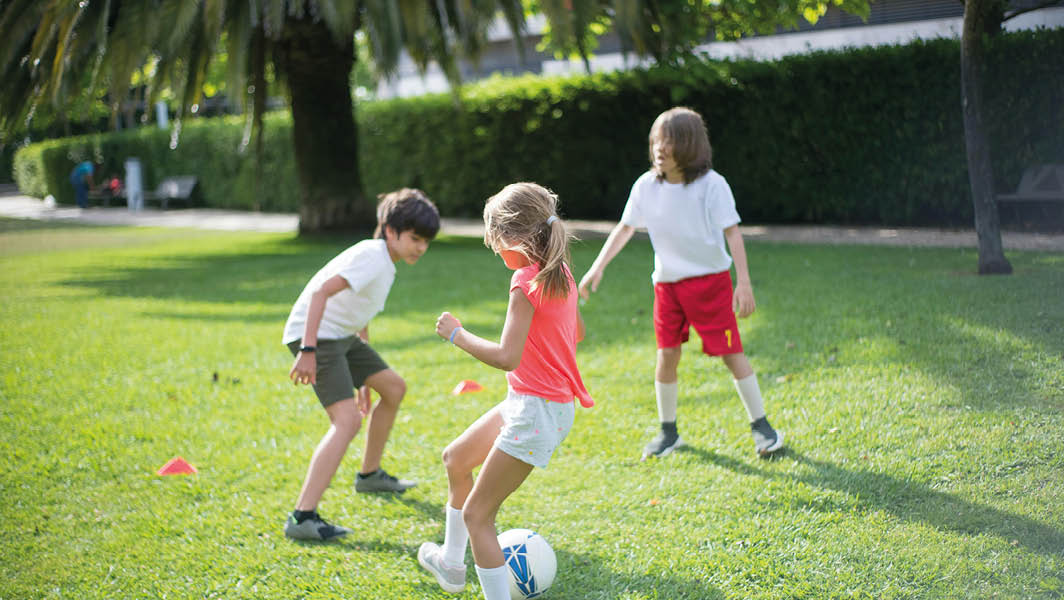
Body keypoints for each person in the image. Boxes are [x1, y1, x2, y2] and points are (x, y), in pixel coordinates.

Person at [417, 182, 593, 598]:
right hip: (531, 402)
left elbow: (505, 357)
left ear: (514, 238)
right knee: (456, 458)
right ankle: (451, 564)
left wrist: (456, 334)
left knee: (479, 515)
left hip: (537, 411)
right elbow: (578, 331)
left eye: (495, 242)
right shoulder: (559, 271)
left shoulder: (526, 281)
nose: (494, 251)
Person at [578, 106, 784, 459]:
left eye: (669, 140)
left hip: (711, 285)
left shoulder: (712, 185)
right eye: (656, 139)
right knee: (667, 354)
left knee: (731, 354)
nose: (660, 147)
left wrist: (743, 282)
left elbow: (733, 233)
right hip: (668, 288)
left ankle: (763, 428)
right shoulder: (645, 186)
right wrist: (597, 268)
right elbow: (625, 227)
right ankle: (668, 432)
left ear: (689, 145)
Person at [281, 188, 440, 541]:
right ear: (390, 231)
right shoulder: (373, 256)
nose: (421, 248)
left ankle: (370, 476)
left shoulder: (385, 262)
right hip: (318, 336)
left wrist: (365, 381)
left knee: (393, 388)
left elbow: (360, 314)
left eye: (425, 241)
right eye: (415, 238)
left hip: (340, 335)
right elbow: (321, 292)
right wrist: (306, 350)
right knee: (347, 420)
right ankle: (302, 516)